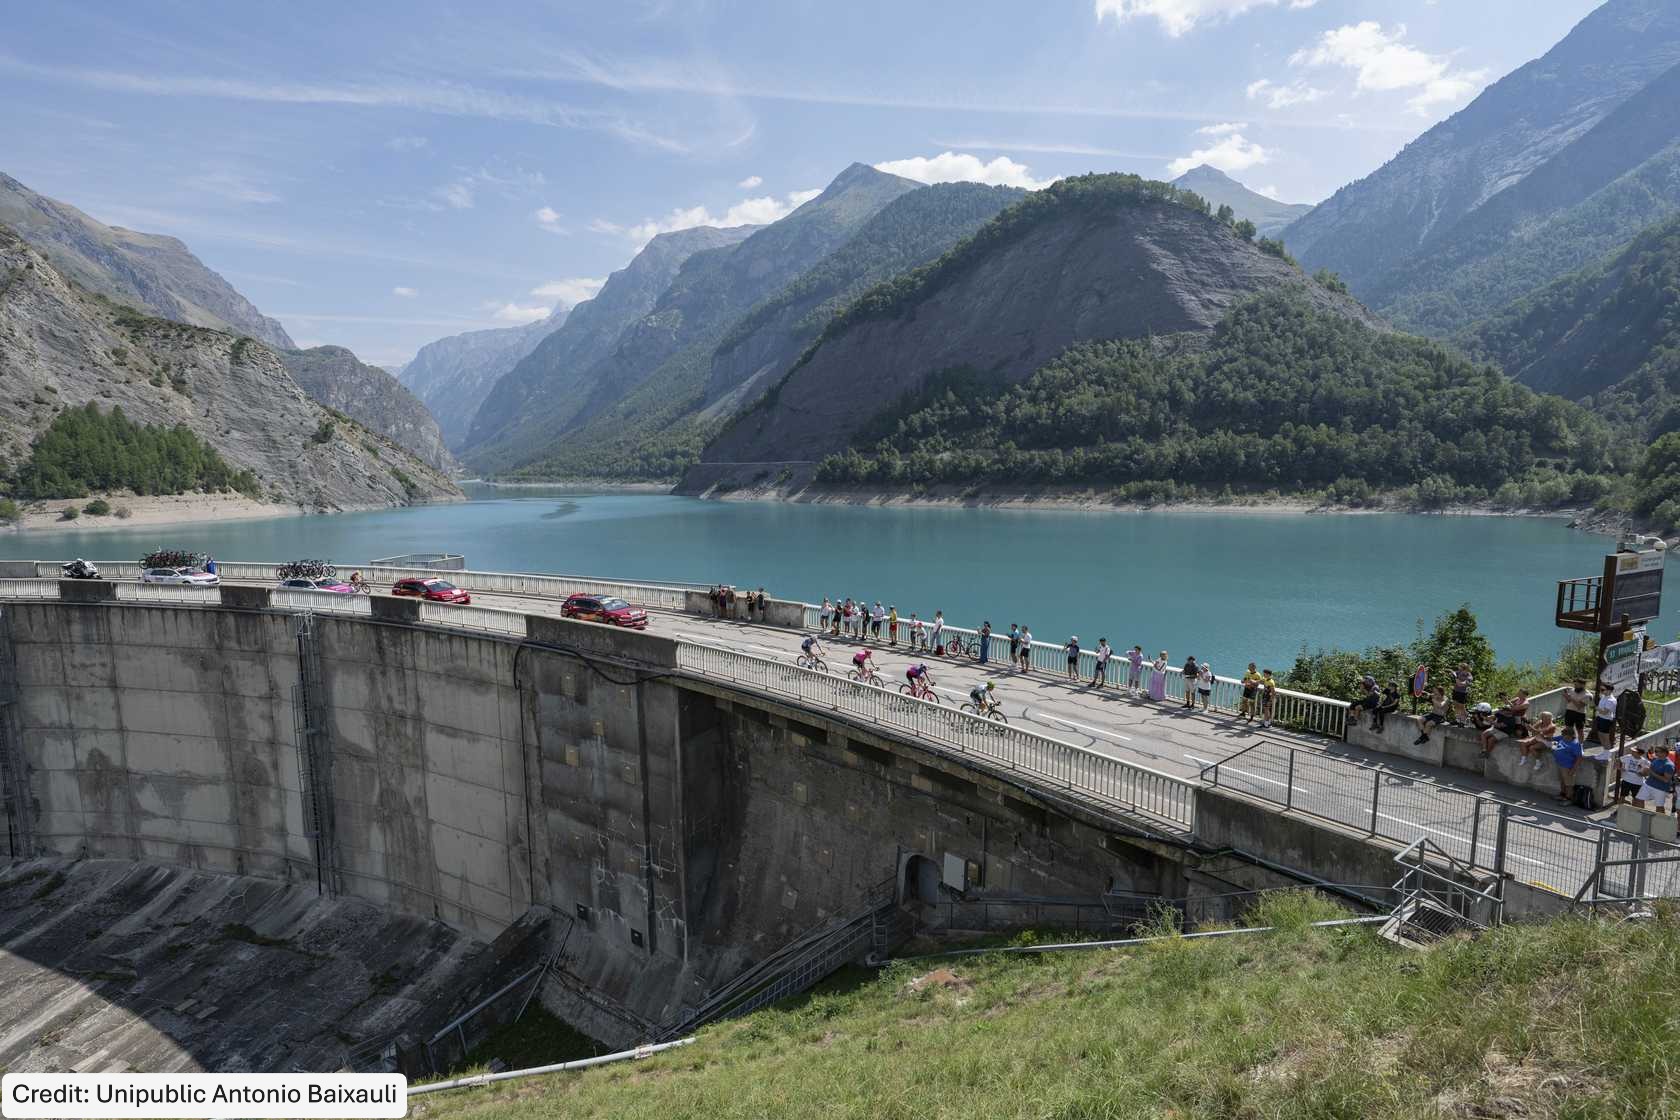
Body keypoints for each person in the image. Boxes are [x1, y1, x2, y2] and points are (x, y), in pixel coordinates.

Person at [1479, 689, 1531, 756]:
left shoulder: (1526, 703)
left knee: (1518, 733)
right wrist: (1504, 699)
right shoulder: (1517, 699)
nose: (1518, 693)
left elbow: (1515, 708)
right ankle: (1485, 751)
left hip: (1518, 718)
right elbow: (1507, 704)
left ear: (1524, 695)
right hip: (1511, 716)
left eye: (1520, 693)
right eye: (1518, 692)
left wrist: (1507, 701)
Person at [1553, 724, 1584, 806]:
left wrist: (1573, 770)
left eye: (1565, 736)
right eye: (1562, 735)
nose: (1563, 737)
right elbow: (1552, 740)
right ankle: (1562, 794)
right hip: (1560, 764)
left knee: (1569, 784)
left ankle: (1569, 799)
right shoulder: (1562, 738)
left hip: (1568, 767)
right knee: (1562, 781)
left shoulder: (1576, 744)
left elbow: (1579, 758)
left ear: (1571, 736)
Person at [1641, 743, 1675, 814]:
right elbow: (1649, 772)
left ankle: (1661, 822)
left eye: (1657, 751)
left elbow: (1666, 780)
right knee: (1638, 800)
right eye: (1655, 751)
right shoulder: (1655, 760)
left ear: (1664, 753)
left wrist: (1651, 772)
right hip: (1648, 784)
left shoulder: (1669, 765)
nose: (1655, 753)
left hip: (1660, 789)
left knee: (1659, 808)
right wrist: (1644, 772)